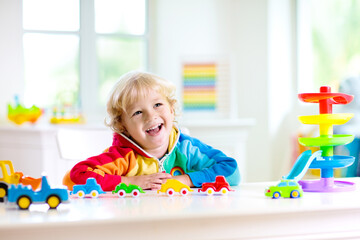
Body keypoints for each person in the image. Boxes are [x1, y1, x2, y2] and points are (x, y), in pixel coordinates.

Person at [63, 71, 240, 191]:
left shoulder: (187, 148)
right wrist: (131, 182)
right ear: (123, 126)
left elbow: (232, 171)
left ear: (171, 109)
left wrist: (185, 180)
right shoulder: (122, 158)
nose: (151, 116)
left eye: (157, 105)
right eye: (138, 112)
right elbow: (74, 177)